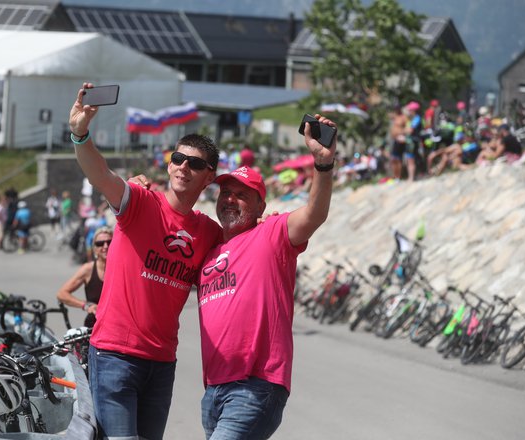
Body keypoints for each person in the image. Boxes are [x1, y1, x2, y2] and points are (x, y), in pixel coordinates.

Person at [69, 82, 222, 440]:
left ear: (209, 176)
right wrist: (80, 135)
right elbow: (99, 174)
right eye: (177, 159)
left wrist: (263, 219)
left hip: (162, 362)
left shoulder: (209, 233)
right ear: (169, 165)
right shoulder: (140, 202)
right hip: (114, 355)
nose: (183, 167)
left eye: (195, 163)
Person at [197, 114, 336, 440]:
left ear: (261, 205)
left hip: (255, 385)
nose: (230, 199)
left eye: (241, 194)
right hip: (213, 389)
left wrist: (323, 165)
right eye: (225, 193)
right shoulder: (209, 252)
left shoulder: (272, 233)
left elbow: (315, 214)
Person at [56, 226, 113, 328]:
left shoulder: (122, 268)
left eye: (109, 242)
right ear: (94, 249)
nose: (105, 246)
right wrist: (86, 305)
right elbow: (62, 294)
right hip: (94, 326)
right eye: (100, 243)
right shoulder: (88, 269)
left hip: (117, 325)